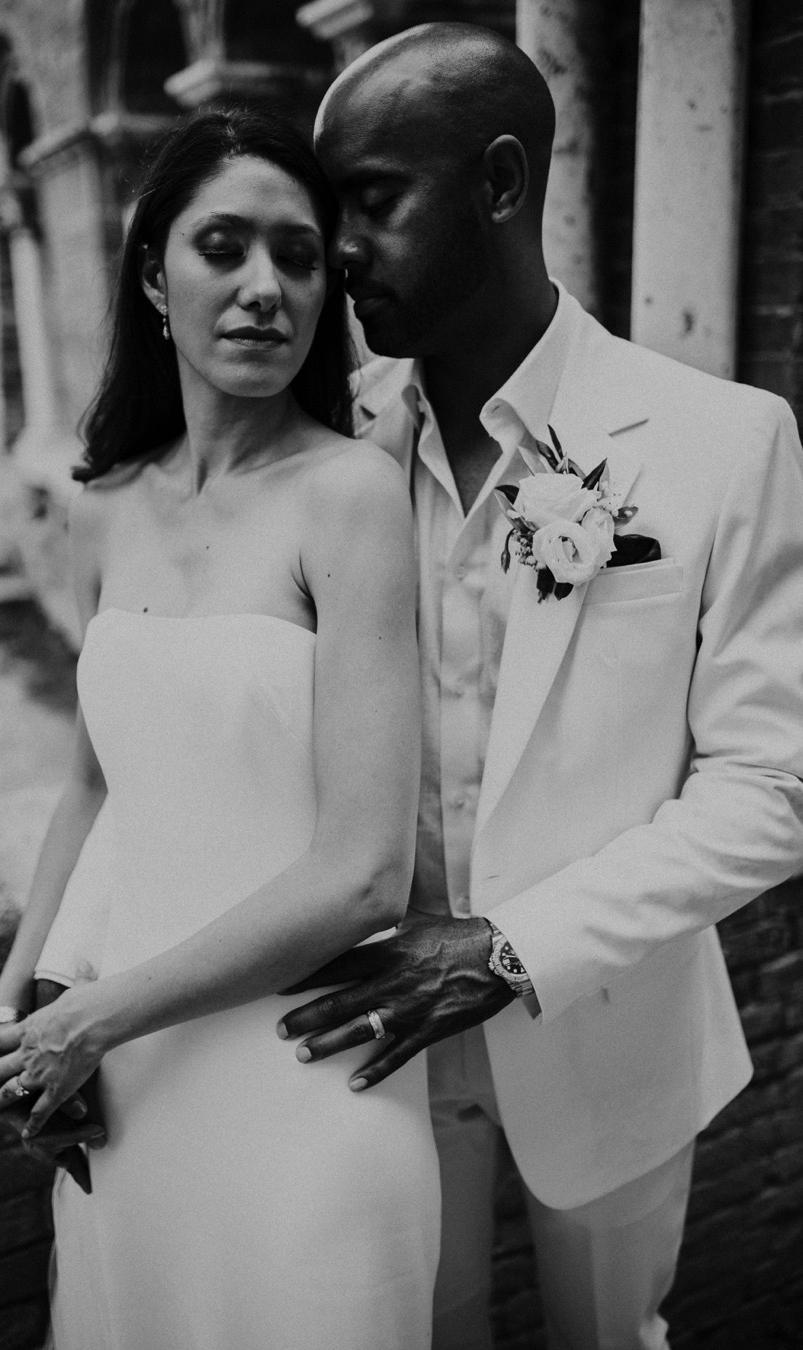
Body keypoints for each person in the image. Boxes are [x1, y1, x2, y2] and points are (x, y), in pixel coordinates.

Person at [276, 23, 803, 1350]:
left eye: (373, 199)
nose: (336, 249)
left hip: (610, 1033)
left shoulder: (721, 442)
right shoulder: (326, 458)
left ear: (502, 184)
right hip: (370, 1036)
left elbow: (773, 788)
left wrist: (515, 949)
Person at [0, 107, 441, 1350]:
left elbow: (363, 875)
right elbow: (95, 780)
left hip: (300, 1064)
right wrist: (21, 996)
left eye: (298, 257)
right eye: (222, 246)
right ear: (150, 273)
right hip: (131, 1085)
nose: (262, 289)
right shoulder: (103, 507)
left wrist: (97, 1014)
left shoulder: (348, 498)